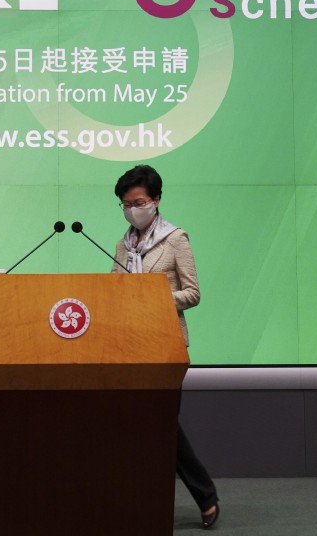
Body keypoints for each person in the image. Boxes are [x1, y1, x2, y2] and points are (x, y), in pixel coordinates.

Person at [110, 164, 220, 529]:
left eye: (138, 202)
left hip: (166, 342)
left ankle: (204, 495)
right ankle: (140, 498)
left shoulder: (176, 239)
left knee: (161, 423)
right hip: (128, 344)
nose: (131, 209)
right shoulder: (122, 245)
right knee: (138, 424)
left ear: (156, 201)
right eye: (126, 204)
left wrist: (152, 298)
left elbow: (193, 293)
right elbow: (113, 291)